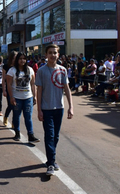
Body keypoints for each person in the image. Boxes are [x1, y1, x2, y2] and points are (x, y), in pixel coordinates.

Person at [35, 44, 73, 176]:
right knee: (49, 135)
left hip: (59, 108)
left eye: (55, 53)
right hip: (46, 109)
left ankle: (51, 158)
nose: (53, 55)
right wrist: (39, 110)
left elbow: (67, 89)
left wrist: (71, 107)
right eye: (50, 53)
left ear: (58, 55)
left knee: (56, 136)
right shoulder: (41, 71)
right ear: (46, 55)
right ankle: (51, 163)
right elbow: (39, 91)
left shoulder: (63, 70)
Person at [6, 52, 40, 143]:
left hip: (28, 98)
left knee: (28, 117)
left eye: (24, 59)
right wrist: (11, 97)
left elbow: (33, 84)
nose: (22, 60)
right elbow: (8, 84)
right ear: (17, 60)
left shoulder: (30, 70)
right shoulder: (12, 70)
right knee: (16, 116)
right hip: (16, 98)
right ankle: (17, 133)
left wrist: (34, 96)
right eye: (20, 58)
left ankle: (31, 135)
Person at [2, 51, 17, 126]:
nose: (15, 60)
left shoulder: (18, 66)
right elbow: (3, 79)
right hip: (8, 89)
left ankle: (14, 122)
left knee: (16, 107)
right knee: (11, 105)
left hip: (17, 89)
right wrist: (4, 90)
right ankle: (6, 117)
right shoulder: (6, 66)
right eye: (14, 58)